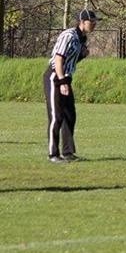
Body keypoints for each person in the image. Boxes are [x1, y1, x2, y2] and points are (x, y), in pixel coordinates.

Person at [43, 9, 100, 163]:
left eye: (95, 22)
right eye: (91, 21)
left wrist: (82, 55)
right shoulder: (68, 35)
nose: (94, 24)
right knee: (57, 116)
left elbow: (70, 61)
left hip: (66, 78)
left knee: (69, 115)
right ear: (82, 22)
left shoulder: (81, 38)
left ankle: (68, 153)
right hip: (55, 76)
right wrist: (61, 82)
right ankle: (53, 154)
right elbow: (58, 59)